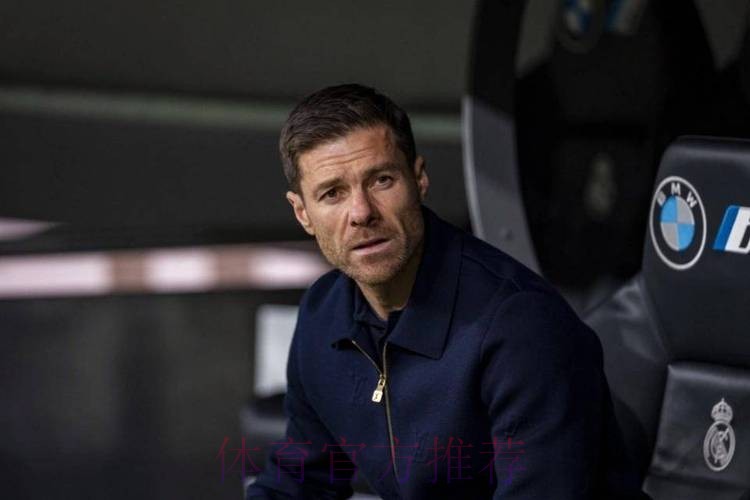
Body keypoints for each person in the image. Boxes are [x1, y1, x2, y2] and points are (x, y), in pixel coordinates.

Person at [246, 84, 642, 499]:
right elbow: (298, 481)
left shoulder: (521, 325)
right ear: (303, 213)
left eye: (381, 180)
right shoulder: (322, 314)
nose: (361, 213)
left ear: (419, 178)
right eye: (332, 194)